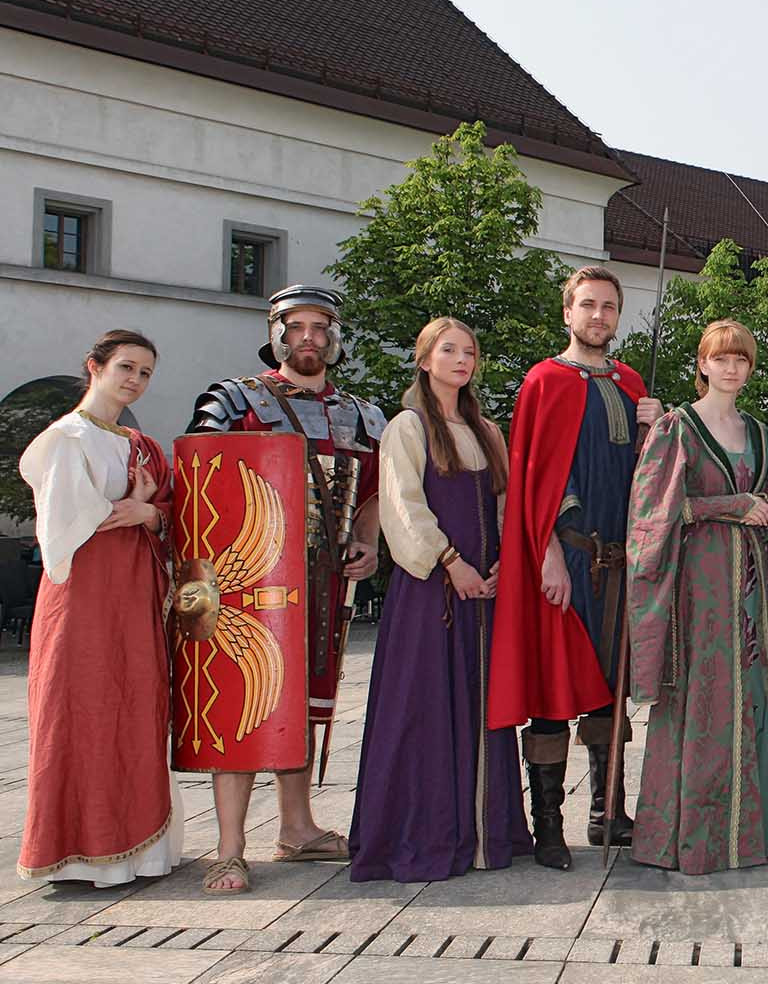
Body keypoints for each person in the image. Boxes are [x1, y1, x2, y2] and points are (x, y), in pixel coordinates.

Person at [188, 286, 384, 893]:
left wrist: (368, 542)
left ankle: (297, 829)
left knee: (304, 700)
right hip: (248, 583)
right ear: (277, 333)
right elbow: (200, 471)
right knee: (240, 702)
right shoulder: (234, 400)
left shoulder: (362, 413)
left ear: (335, 337)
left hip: (324, 583)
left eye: (320, 326)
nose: (309, 337)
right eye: (296, 325)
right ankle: (229, 847)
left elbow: (374, 488)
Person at [487, 266, 662, 870]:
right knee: (554, 694)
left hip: (623, 564)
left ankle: (607, 812)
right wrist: (548, 553)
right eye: (587, 305)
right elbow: (536, 477)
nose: (598, 316)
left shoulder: (633, 383)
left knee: (611, 695)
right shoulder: (544, 381)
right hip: (568, 560)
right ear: (568, 313)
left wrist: (653, 433)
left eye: (609, 306)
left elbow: (647, 482)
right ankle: (549, 828)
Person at [348, 318, 533, 881]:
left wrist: (501, 561)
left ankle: (486, 832)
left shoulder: (486, 430)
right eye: (448, 350)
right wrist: (453, 565)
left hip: (485, 593)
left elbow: (504, 505)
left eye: (469, 351)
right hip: (432, 594)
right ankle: (420, 833)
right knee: (423, 708)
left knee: (481, 707)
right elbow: (404, 508)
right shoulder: (407, 427)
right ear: (424, 359)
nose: (461, 359)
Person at [625, 320, 768, 874]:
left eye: (741, 360)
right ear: (702, 364)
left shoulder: (758, 432)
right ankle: (695, 838)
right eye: (720, 359)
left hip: (752, 584)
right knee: (704, 698)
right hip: (699, 591)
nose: (731, 369)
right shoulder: (676, 429)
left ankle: (755, 832)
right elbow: (653, 512)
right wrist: (727, 506)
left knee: (752, 693)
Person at [17, 330, 183, 886]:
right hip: (83, 596)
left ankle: (140, 850)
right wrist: (134, 505)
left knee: (135, 703)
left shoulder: (144, 446)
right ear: (95, 366)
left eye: (145, 372)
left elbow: (168, 513)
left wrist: (149, 513)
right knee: (81, 706)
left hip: (136, 593)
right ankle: (80, 848)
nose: (135, 380)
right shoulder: (67, 438)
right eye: (126, 368)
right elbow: (65, 522)